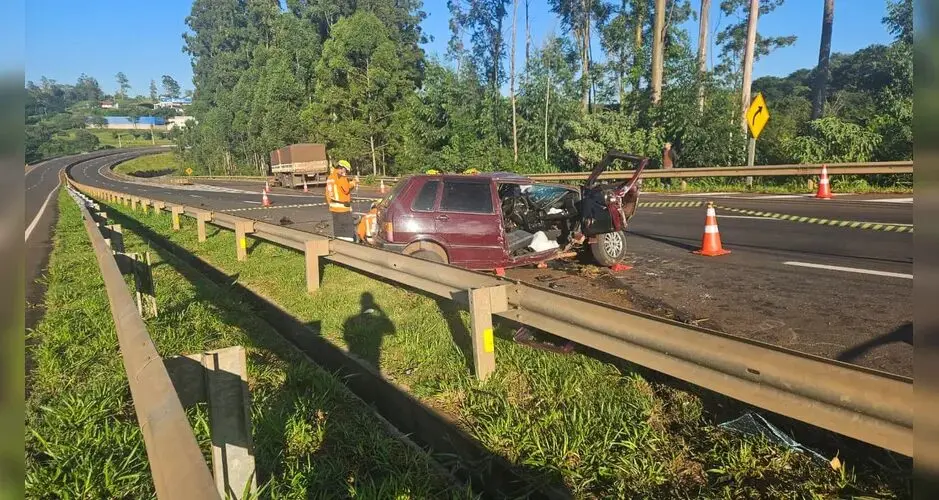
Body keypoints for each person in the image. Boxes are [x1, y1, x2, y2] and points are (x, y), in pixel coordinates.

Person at [330, 162, 357, 241]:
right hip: (342, 209)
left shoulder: (330, 177)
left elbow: (328, 193)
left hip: (333, 208)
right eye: (347, 171)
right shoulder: (340, 176)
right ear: (343, 168)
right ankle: (348, 248)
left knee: (339, 232)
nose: (346, 173)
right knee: (348, 232)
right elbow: (346, 189)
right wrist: (353, 183)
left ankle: (340, 248)